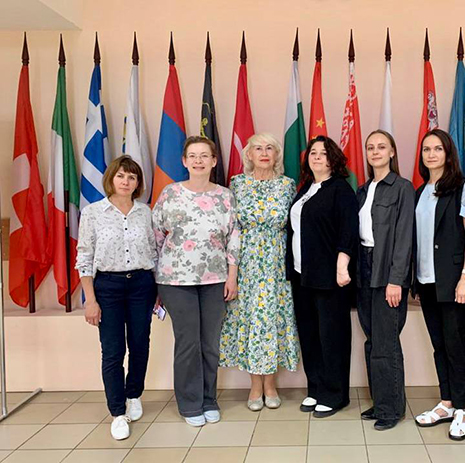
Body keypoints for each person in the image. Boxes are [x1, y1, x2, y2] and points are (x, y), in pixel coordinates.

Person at [152, 136, 240, 427]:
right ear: (184, 161)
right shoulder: (170, 194)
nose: (198, 160)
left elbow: (233, 237)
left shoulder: (225, 196)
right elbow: (156, 235)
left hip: (216, 279)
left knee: (210, 343)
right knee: (188, 342)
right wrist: (155, 278)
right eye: (193, 155)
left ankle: (208, 399)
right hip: (176, 280)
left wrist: (232, 276)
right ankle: (190, 404)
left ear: (214, 161)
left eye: (204, 155)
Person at [77, 156, 157, 441]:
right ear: (111, 178)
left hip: (141, 284)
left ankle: (134, 394)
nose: (126, 181)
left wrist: (157, 289)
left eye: (132, 177)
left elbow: (153, 250)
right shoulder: (93, 213)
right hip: (107, 286)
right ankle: (117, 411)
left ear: (138, 183)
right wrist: (90, 299)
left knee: (140, 344)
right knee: (112, 350)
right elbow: (84, 256)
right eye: (121, 176)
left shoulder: (145, 212)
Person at [220, 133, 299, 411]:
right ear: (249, 155)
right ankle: (255, 386)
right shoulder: (237, 184)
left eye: (269, 148)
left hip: (277, 263)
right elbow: (231, 229)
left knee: (273, 319)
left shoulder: (288, 185)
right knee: (252, 320)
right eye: (258, 148)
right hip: (247, 263)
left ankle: (270, 385)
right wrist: (232, 272)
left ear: (276, 155)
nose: (264, 153)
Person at [411, 129, 465, 440]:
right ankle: (447, 402)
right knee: (439, 344)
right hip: (426, 281)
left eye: (438, 148)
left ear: (448, 153)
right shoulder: (420, 191)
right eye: (426, 149)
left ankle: (463, 407)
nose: (431, 154)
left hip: (454, 281)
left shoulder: (463, 188)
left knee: (455, 343)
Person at [287, 135, 358, 418]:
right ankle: (316, 388)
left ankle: (336, 394)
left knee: (332, 336)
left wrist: (342, 266)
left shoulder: (341, 189)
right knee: (309, 334)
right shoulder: (305, 188)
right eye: (313, 152)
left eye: (323, 153)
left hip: (330, 276)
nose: (317, 157)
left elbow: (348, 230)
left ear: (333, 159)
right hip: (301, 275)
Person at [356, 130, 414, 431]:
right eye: (370, 147)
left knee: (386, 342)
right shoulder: (363, 190)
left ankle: (391, 409)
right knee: (371, 340)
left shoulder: (402, 188)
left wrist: (396, 280)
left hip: (387, 270)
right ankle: (380, 401)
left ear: (392, 152)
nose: (375, 151)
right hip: (364, 268)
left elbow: (404, 237)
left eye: (381, 147)